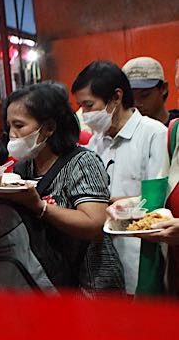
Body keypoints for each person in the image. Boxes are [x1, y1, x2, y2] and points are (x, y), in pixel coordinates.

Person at [0, 82, 124, 293]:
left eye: (19, 125)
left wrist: (39, 207)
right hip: (44, 284)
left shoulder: (82, 162)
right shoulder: (23, 168)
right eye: (9, 127)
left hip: (88, 287)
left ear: (49, 127)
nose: (12, 134)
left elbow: (95, 225)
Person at [72, 60, 169, 295]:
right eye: (81, 107)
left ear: (116, 97)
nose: (85, 114)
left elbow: (158, 201)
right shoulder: (95, 143)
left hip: (140, 255)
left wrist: (106, 204)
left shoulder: (154, 134)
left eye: (89, 105)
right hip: (103, 261)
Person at [122, 56, 179, 127]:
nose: (137, 103)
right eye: (131, 97)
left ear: (163, 88)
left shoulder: (176, 126)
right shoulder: (123, 131)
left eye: (144, 95)